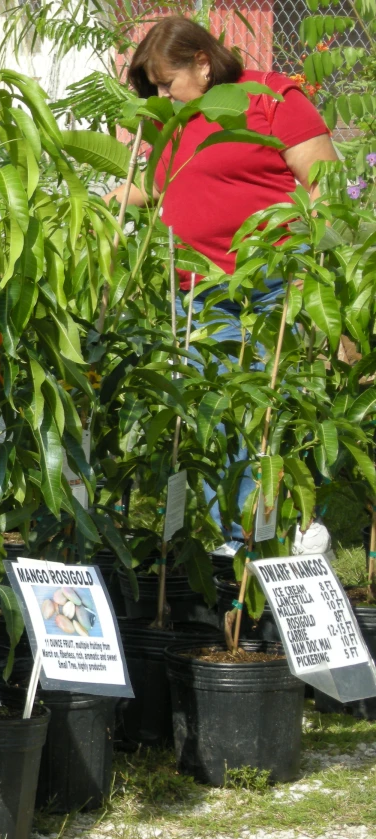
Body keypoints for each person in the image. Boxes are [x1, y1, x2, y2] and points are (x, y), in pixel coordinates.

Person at [106, 16, 338, 552]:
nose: (162, 96)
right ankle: (232, 538)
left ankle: (288, 531)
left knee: (269, 407)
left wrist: (305, 265)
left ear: (203, 63)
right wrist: (107, 202)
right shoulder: (177, 119)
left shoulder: (271, 99)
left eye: (167, 83)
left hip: (268, 283)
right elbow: (165, 185)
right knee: (214, 413)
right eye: (155, 88)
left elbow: (326, 186)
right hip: (198, 290)